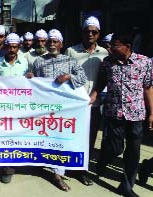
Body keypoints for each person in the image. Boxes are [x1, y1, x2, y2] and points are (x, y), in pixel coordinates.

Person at [90, 32, 153, 197]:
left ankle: (126, 185)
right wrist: (93, 96)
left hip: (136, 114)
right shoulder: (107, 63)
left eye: (115, 45)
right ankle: (104, 158)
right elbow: (101, 83)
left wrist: (151, 113)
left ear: (127, 46)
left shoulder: (144, 62)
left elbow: (147, 89)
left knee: (133, 152)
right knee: (115, 148)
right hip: (114, 113)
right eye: (110, 45)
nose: (110, 49)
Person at [31, 29, 87, 191]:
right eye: (49, 42)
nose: (52, 44)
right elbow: (33, 83)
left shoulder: (70, 61)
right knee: (44, 137)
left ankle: (57, 174)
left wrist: (69, 77)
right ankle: (41, 163)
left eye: (55, 41)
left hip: (64, 110)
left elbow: (82, 79)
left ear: (61, 44)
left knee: (60, 139)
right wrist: (30, 78)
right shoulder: (39, 62)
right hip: (44, 108)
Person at [64, 16, 108, 186]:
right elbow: (66, 76)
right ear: (82, 33)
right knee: (72, 136)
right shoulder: (71, 52)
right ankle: (69, 165)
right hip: (75, 104)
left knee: (89, 139)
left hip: (94, 103)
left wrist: (95, 94)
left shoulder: (104, 53)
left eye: (93, 32)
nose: (90, 34)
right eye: (87, 31)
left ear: (98, 34)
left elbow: (104, 78)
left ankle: (82, 171)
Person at [0, 33, 29, 184]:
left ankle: (10, 167)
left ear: (19, 47)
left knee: (15, 137)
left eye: (15, 47)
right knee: (3, 136)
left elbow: (30, 83)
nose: (11, 49)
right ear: (5, 47)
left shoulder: (24, 63)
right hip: (2, 106)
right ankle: (5, 166)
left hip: (19, 106)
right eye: (9, 46)